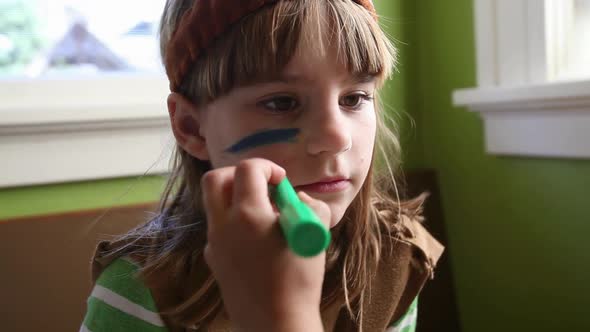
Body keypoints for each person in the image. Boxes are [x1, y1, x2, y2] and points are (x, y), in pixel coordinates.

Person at [80, 0, 444, 331]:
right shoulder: (141, 290)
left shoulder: (392, 262)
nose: (337, 138)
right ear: (192, 127)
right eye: (282, 103)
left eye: (354, 97)